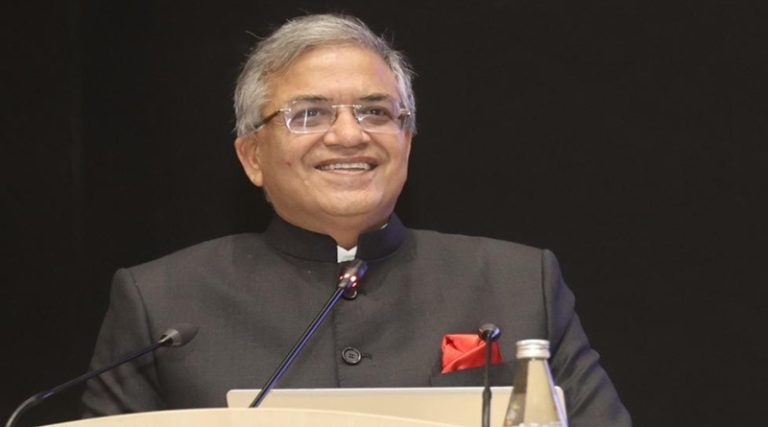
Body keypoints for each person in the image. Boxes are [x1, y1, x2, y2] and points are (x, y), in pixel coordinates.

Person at [81, 14, 631, 426]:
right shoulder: (163, 305)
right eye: (310, 114)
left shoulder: (518, 283)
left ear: (406, 142)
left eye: (374, 111)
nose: (349, 134)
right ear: (252, 157)